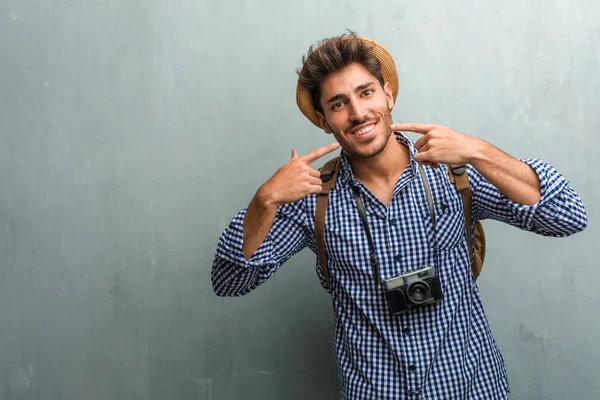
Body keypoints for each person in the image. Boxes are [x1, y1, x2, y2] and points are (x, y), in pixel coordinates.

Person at [211, 31, 587, 399]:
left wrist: (480, 152)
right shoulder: (312, 199)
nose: (358, 113)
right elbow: (229, 281)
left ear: (388, 93)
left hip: (470, 388)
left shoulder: (454, 173)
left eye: (366, 92)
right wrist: (265, 200)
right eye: (338, 104)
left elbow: (568, 215)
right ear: (324, 120)